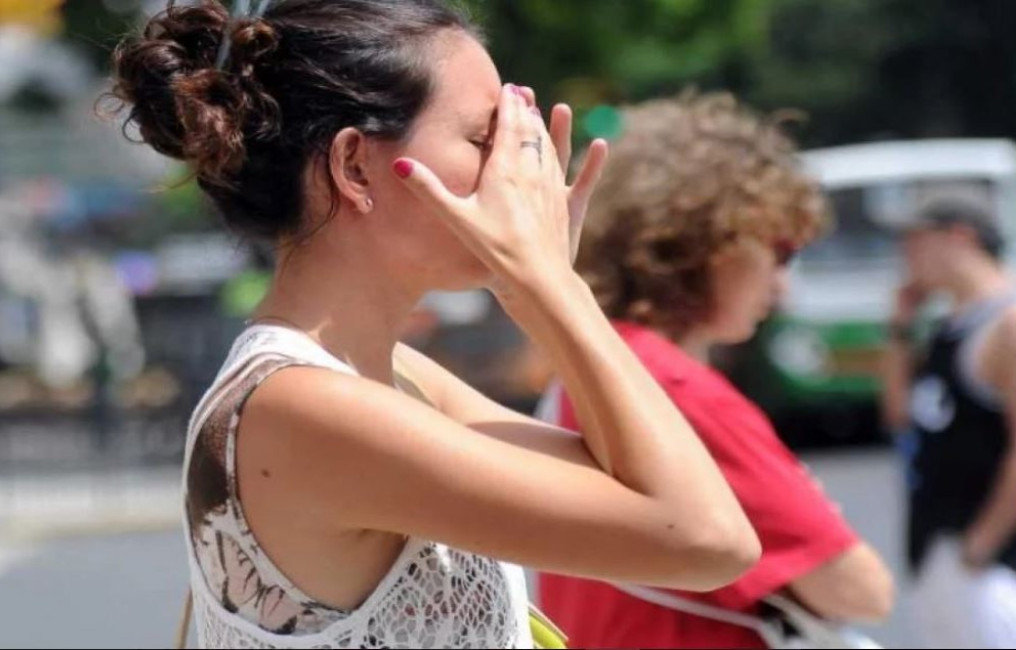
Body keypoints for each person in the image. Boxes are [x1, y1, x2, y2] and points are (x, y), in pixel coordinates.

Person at [108, 2, 760, 648]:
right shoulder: (306, 408)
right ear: (355, 166)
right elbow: (706, 541)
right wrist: (552, 286)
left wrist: (540, 282)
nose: (518, 170)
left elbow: (632, 482)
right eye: (485, 139)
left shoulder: (394, 378)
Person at [536, 92, 894, 649]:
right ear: (712, 242)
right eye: (779, 249)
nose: (782, 282)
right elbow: (860, 590)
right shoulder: (676, 390)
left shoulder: (590, 364)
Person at [881, 195, 1016, 648]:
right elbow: (901, 415)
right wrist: (900, 328)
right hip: (938, 543)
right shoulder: (945, 325)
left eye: (916, 243)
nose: (905, 258)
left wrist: (982, 544)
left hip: (991, 560)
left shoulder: (1006, 324)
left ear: (961, 237)